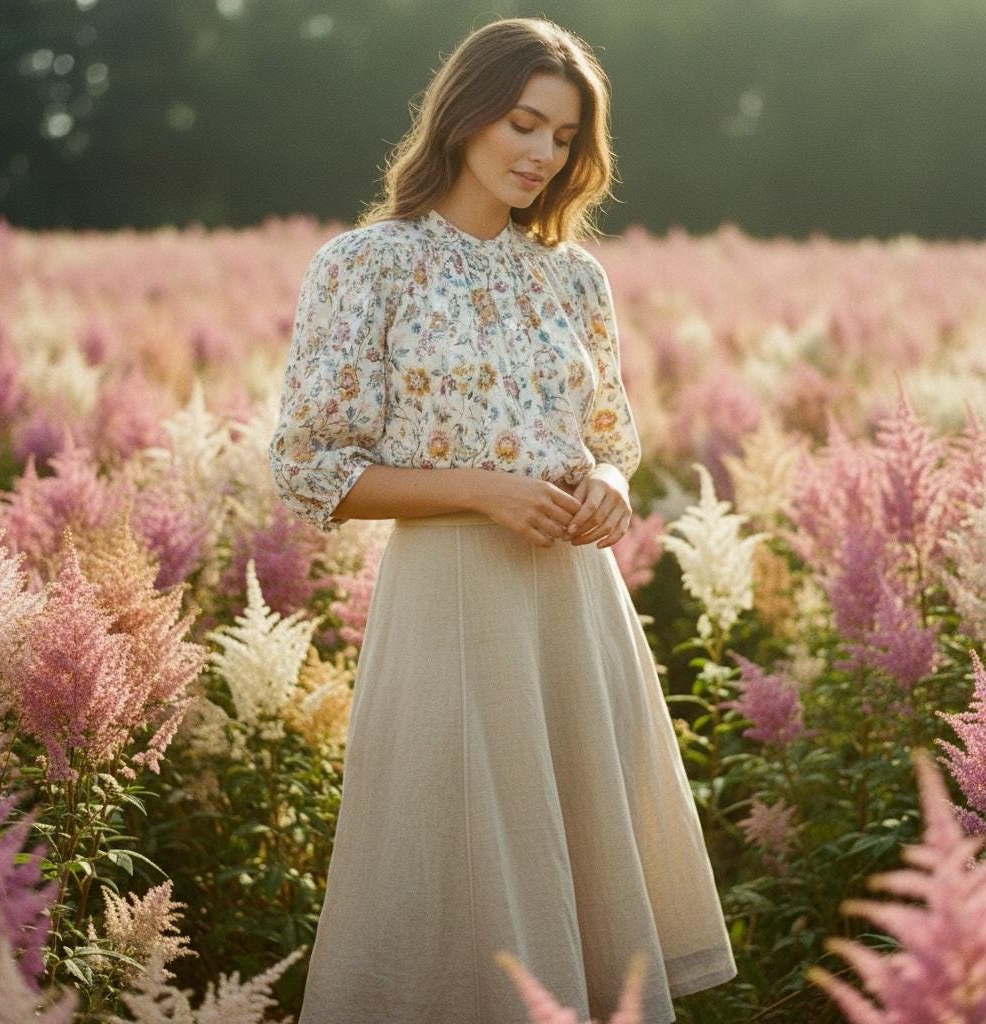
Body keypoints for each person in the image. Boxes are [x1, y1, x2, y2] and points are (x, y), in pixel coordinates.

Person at [268, 16, 737, 1024]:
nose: (540, 153)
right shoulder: (368, 266)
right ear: (465, 115)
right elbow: (309, 470)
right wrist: (480, 489)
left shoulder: (573, 277)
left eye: (563, 137)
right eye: (523, 123)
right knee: (450, 869)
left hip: (576, 608)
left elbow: (612, 432)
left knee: (579, 878)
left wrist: (610, 482)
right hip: (450, 605)